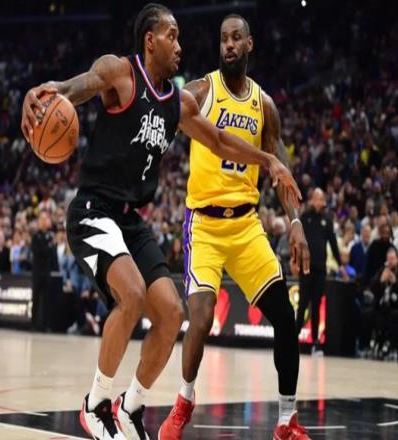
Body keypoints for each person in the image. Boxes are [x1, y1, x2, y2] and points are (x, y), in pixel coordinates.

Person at [21, 4, 301, 439]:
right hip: (94, 209)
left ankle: (130, 406)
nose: (180, 45)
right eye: (172, 35)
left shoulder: (178, 102)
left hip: (132, 221)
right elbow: (73, 89)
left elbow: (219, 140)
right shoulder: (119, 72)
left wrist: (267, 160)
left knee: (172, 314)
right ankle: (96, 403)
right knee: (132, 296)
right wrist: (44, 93)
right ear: (150, 40)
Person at [158, 14, 311, 440]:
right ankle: (184, 401)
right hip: (204, 225)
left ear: (249, 45)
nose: (228, 44)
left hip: (245, 226)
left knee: (285, 317)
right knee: (202, 316)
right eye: (223, 38)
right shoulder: (201, 91)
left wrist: (295, 221)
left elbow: (280, 169)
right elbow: (164, 105)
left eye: (235, 38)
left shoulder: (264, 106)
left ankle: (286, 420)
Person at [297, 188, 341, 355]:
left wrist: (340, 265)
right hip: (305, 268)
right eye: (316, 198)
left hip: (320, 269)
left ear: (324, 201)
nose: (318, 201)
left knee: (316, 306)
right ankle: (293, 340)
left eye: (321, 198)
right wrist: (295, 260)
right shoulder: (304, 217)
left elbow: (333, 242)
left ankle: (315, 343)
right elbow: (297, 241)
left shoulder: (327, 220)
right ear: (312, 200)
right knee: (302, 305)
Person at [30, 211, 54, 331]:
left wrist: (46, 249)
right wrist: (47, 248)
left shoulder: (50, 236)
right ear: (39, 222)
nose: (44, 222)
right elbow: (37, 252)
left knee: (46, 299)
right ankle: (33, 324)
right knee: (36, 298)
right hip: (37, 272)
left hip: (46, 272)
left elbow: (51, 253)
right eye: (42, 219)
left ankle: (45, 325)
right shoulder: (35, 237)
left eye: (46, 219)